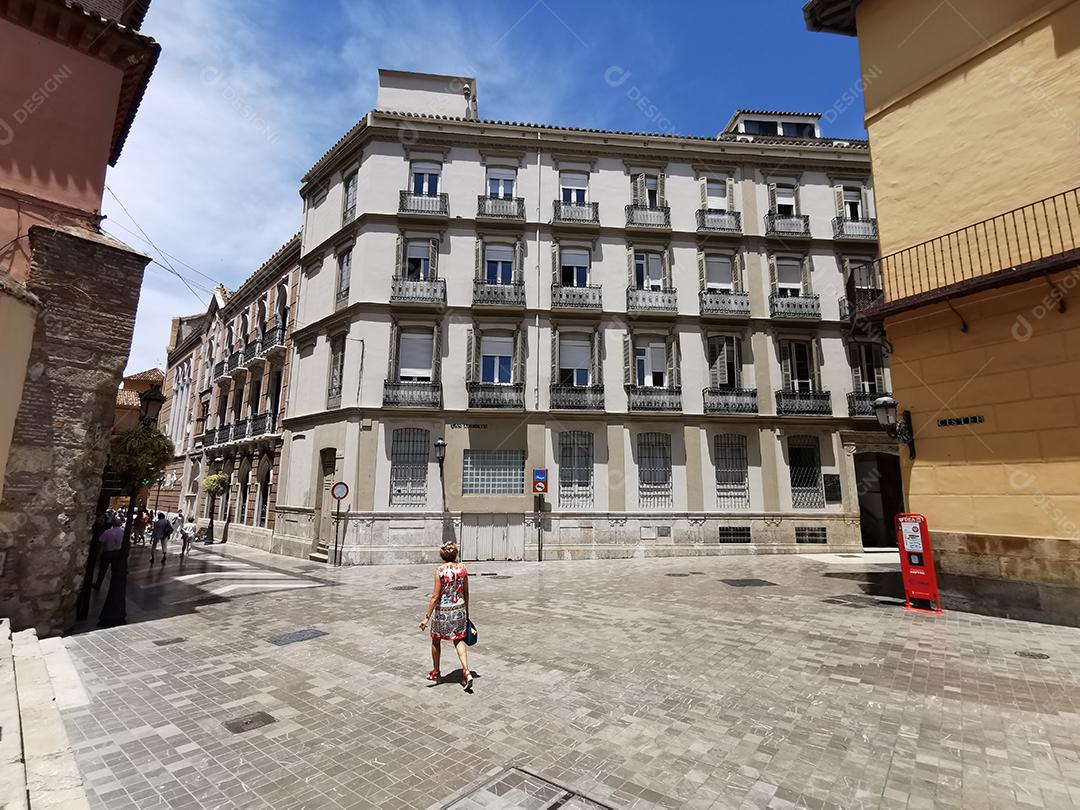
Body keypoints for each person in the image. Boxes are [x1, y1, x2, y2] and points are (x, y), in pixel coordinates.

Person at [419, 542, 472, 690]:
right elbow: (466, 592)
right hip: (459, 609)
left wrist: (426, 617)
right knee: (458, 639)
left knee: (436, 639)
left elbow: (435, 596)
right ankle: (466, 671)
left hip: (443, 611)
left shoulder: (440, 570)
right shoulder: (463, 568)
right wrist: (466, 610)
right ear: (455, 554)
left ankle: (436, 672)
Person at [93, 516, 125, 590]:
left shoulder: (108, 532)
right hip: (117, 553)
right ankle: (113, 587)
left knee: (102, 570)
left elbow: (101, 542)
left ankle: (98, 584)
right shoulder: (122, 532)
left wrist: (98, 554)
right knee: (114, 571)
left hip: (107, 553)